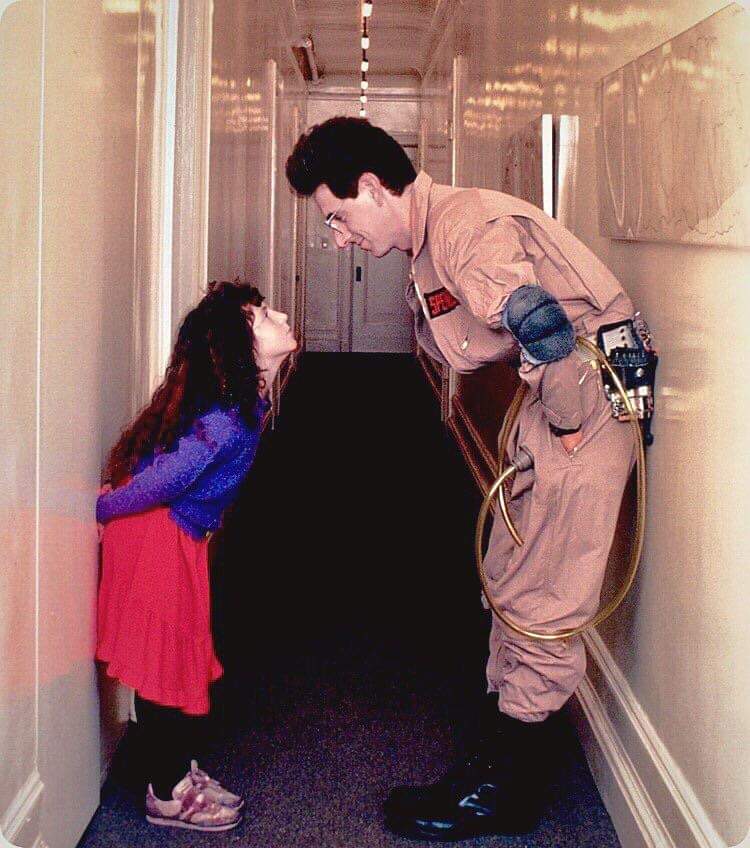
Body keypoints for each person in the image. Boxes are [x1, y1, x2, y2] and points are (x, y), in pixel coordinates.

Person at [286, 117, 639, 840]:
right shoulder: (434, 237)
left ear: (372, 187)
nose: (339, 237)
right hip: (561, 401)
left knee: (542, 598)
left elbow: (538, 323)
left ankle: (503, 794)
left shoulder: (461, 225)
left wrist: (570, 426)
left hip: (581, 403)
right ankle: (497, 756)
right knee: (511, 571)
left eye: (338, 216)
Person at [95, 280, 297, 832]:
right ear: (242, 347)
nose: (281, 317)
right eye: (262, 317)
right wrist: (104, 507)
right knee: (164, 667)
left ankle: (176, 770)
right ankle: (166, 794)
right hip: (157, 540)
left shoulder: (246, 402)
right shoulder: (227, 420)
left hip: (178, 537)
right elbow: (165, 479)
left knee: (175, 659)